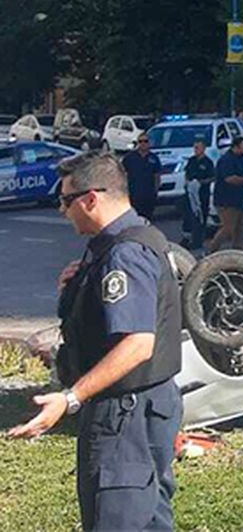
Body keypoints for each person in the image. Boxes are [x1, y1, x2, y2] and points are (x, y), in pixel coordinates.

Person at [5, 151, 182, 531]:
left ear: (91, 199)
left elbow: (138, 343)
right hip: (149, 407)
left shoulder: (125, 254)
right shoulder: (141, 238)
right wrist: (81, 285)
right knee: (149, 519)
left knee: (116, 519)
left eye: (66, 200)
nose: (61, 210)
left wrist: (70, 399)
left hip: (124, 415)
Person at [207, 137, 243, 252]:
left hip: (239, 200)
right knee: (228, 228)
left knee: (239, 228)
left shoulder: (240, 159)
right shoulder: (226, 160)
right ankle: (212, 250)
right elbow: (230, 179)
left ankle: (238, 251)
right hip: (226, 201)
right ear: (235, 147)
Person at [181, 140, 215, 251]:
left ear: (204, 148)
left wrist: (201, 183)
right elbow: (187, 173)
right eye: (194, 147)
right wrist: (188, 182)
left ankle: (198, 241)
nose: (196, 150)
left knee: (201, 218)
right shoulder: (191, 161)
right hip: (191, 194)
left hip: (202, 195)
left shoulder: (208, 162)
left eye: (198, 148)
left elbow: (212, 177)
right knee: (189, 216)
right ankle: (187, 239)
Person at [121, 134, 161, 221]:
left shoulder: (154, 158)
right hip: (134, 193)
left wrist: (156, 190)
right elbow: (122, 173)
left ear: (149, 143)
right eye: (140, 141)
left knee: (148, 217)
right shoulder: (129, 157)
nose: (143, 143)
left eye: (145, 141)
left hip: (149, 194)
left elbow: (157, 175)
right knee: (135, 217)